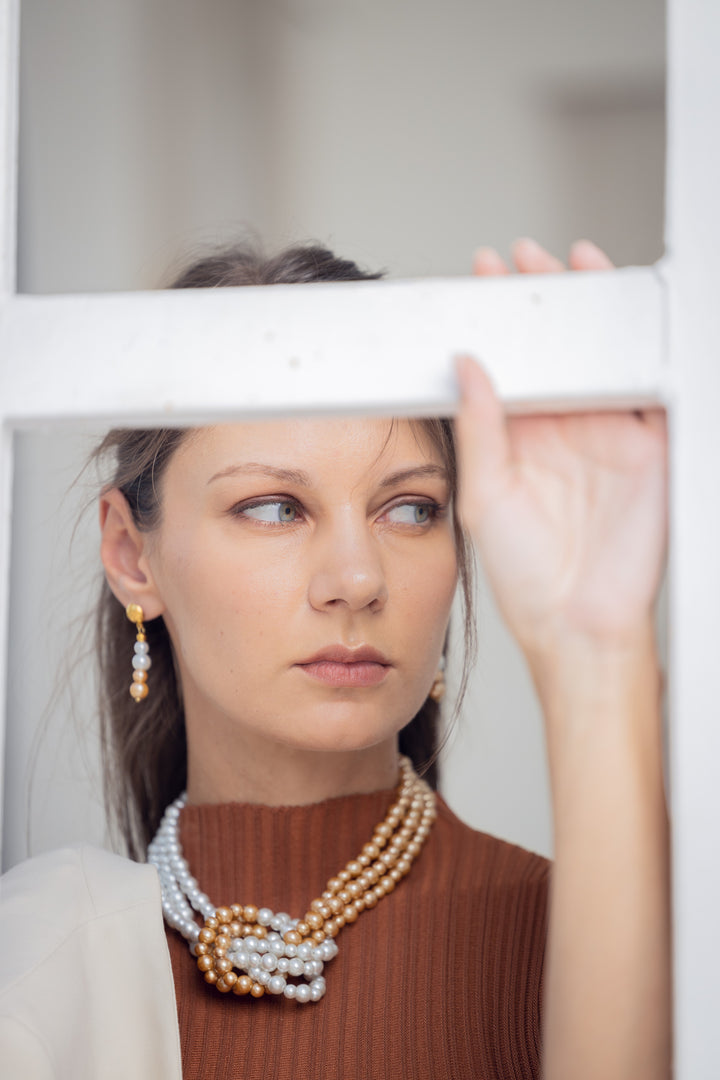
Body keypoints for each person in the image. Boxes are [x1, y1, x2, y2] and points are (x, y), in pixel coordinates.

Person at [0, 238, 670, 1080]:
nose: (356, 579)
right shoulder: (40, 970)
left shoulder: (593, 957)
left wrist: (596, 649)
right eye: (275, 508)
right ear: (133, 555)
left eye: (411, 508)